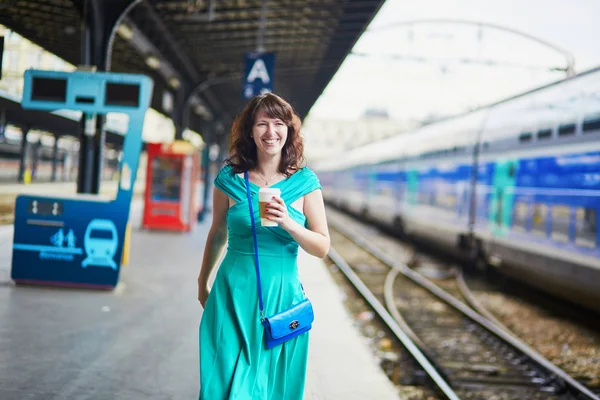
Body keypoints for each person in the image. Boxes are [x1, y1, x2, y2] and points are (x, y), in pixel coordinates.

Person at [197, 93, 330, 400]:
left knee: (272, 389)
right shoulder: (229, 179)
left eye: (279, 123)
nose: (271, 132)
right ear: (250, 130)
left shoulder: (306, 182)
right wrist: (203, 281)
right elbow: (217, 233)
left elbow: (322, 247)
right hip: (232, 293)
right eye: (262, 123)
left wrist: (289, 223)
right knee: (222, 386)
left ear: (289, 130)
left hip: (282, 298)